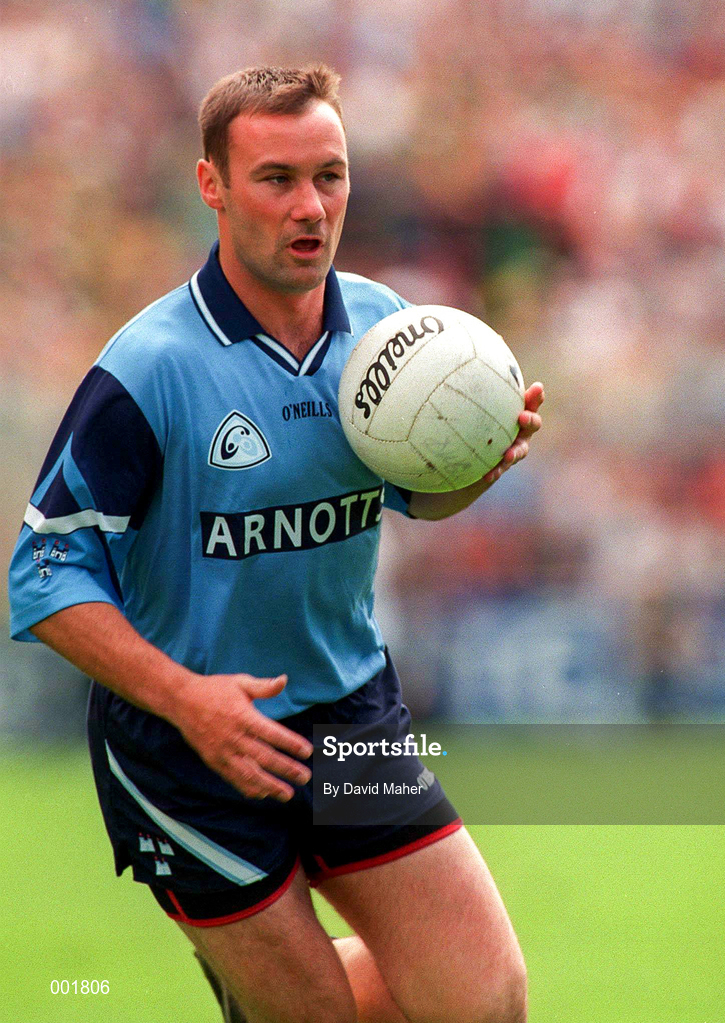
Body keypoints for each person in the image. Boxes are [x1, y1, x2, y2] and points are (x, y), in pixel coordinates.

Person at [8, 65, 543, 1023]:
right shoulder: (151, 367)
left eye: (329, 176)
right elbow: (41, 575)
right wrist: (191, 701)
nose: (311, 206)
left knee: (482, 1001)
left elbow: (415, 501)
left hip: (348, 710)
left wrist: (475, 466)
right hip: (185, 747)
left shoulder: (390, 335)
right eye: (277, 178)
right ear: (212, 184)